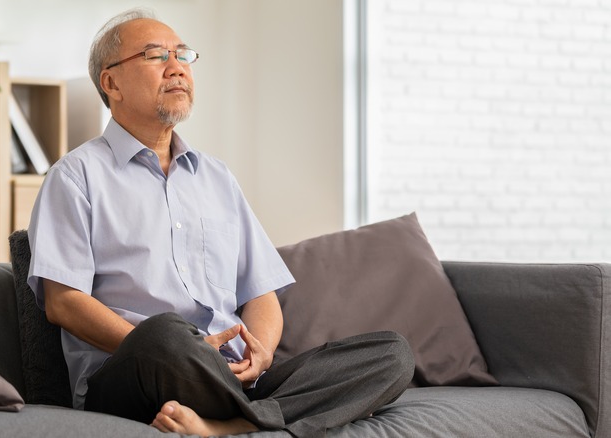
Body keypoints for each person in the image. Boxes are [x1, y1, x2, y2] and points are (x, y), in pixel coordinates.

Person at [27, 8, 414, 437]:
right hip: (141, 371)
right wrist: (185, 352)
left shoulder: (216, 177)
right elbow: (64, 302)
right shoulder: (74, 176)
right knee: (166, 334)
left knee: (391, 354)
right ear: (111, 82)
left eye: (182, 55)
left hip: (234, 376)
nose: (176, 68)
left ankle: (228, 425)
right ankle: (267, 415)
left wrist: (262, 355)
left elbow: (261, 292)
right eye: (156, 56)